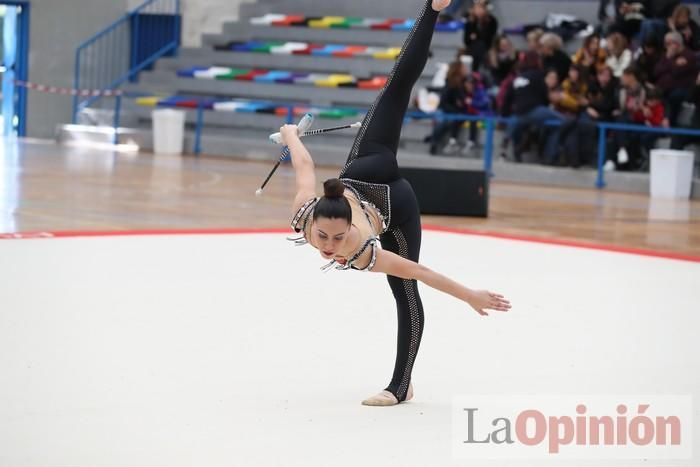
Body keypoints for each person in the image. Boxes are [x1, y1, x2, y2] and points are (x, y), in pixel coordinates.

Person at [280, 0, 511, 407]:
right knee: (402, 292)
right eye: (324, 238)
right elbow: (304, 164)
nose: (331, 246)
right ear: (311, 224)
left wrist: (469, 294)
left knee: (396, 86)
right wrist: (291, 136)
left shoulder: (364, 251)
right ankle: (402, 384)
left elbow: (422, 272)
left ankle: (433, 8)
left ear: (352, 228)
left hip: (373, 165)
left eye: (338, 236)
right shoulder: (305, 213)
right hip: (396, 203)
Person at [653, 31, 698, 125]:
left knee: (673, 96)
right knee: (653, 94)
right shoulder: (666, 55)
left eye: (668, 44)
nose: (666, 46)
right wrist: (670, 60)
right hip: (663, 88)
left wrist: (668, 62)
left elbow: (676, 72)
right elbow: (656, 72)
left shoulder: (689, 55)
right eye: (665, 44)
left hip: (682, 88)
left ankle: (670, 123)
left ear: (677, 43)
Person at [462, 0, 498, 71]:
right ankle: (479, 70)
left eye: (481, 8)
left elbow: (488, 38)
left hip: (487, 47)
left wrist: (475, 36)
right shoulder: (470, 22)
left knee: (480, 46)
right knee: (478, 46)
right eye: (477, 8)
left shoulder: (492, 21)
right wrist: (475, 37)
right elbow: (466, 40)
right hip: (473, 48)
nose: (479, 11)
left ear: (485, 9)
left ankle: (476, 71)